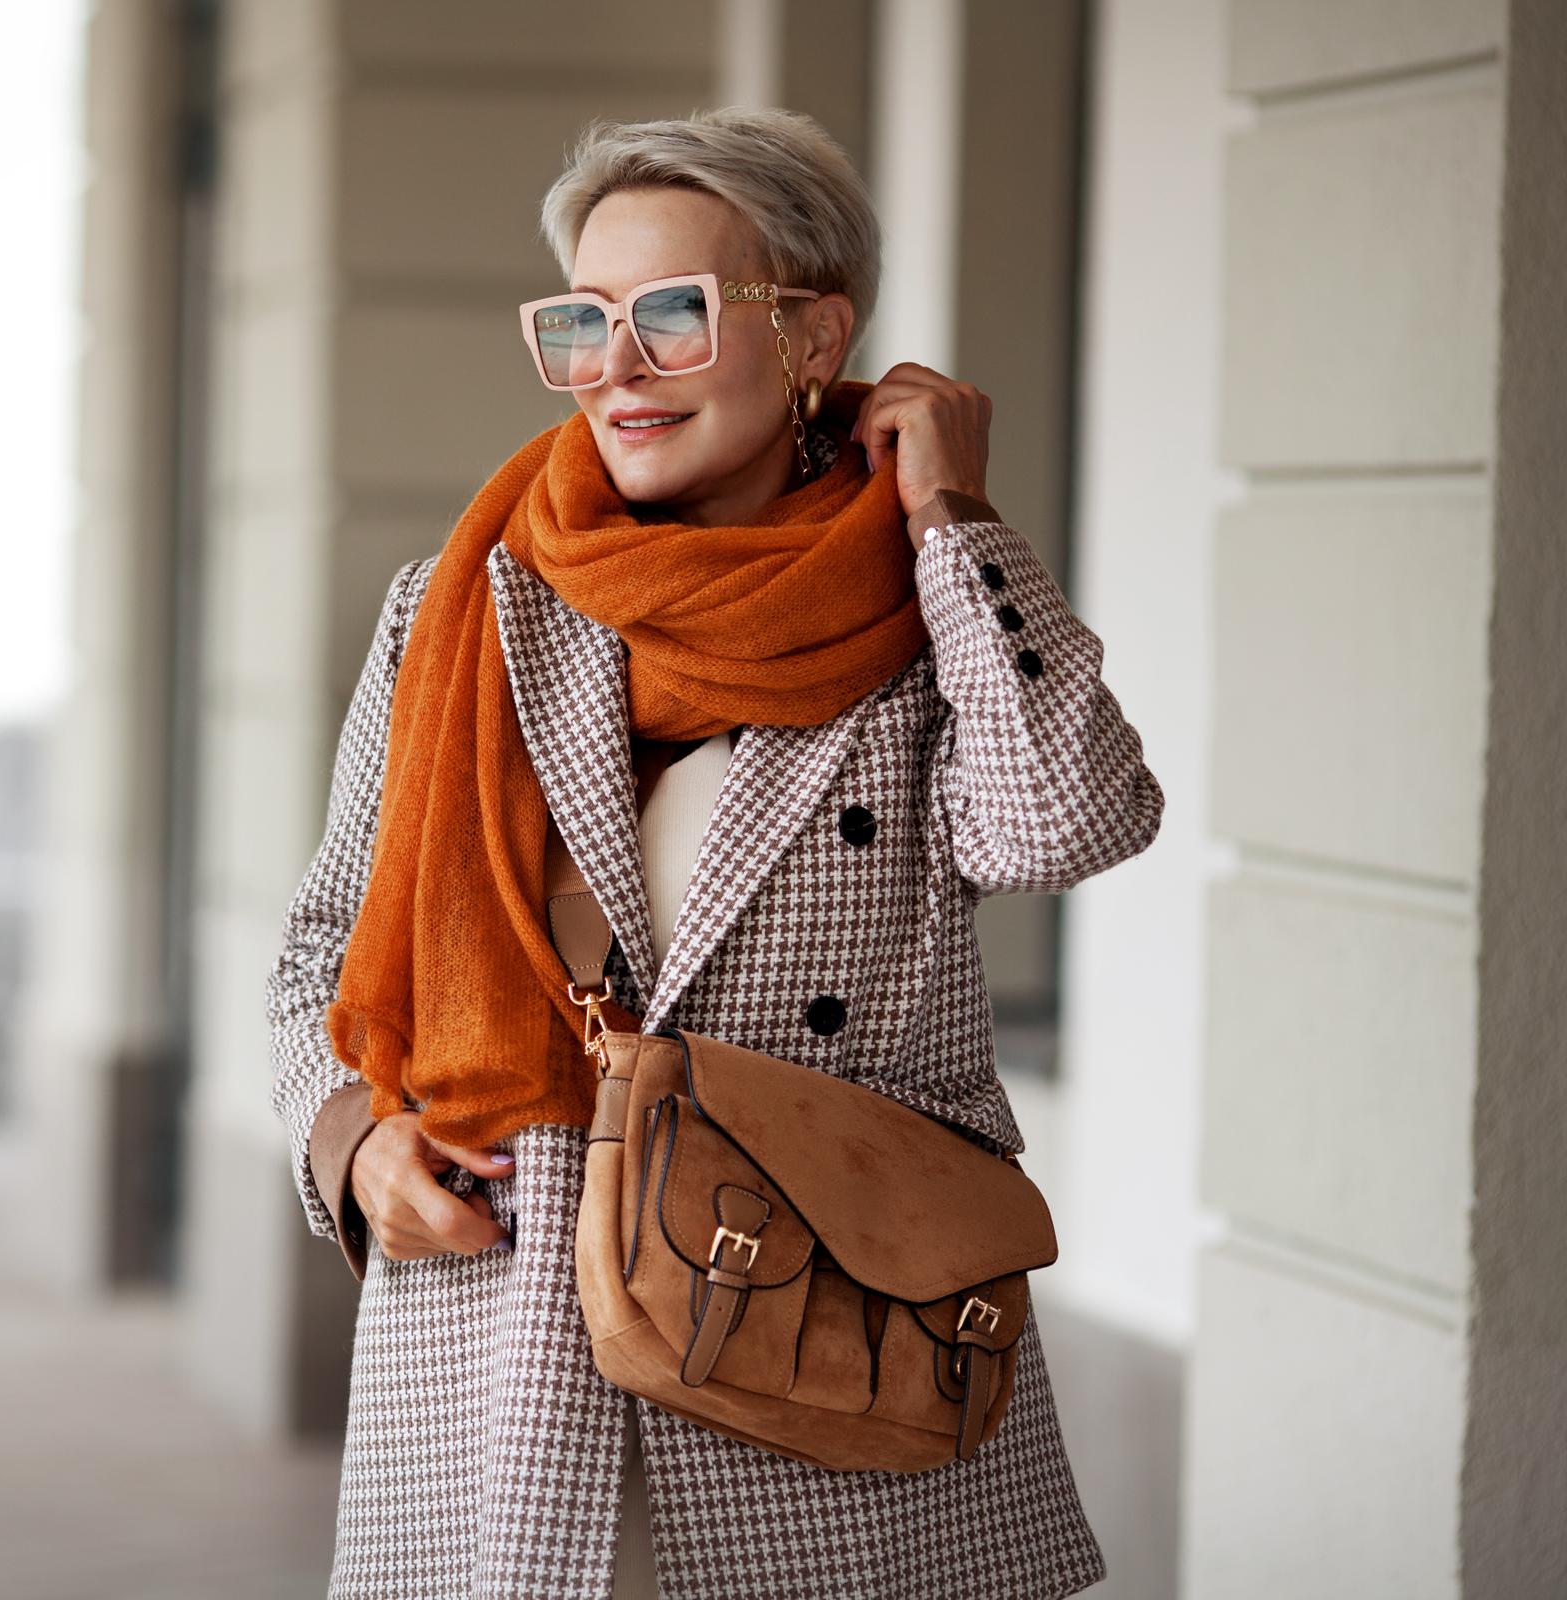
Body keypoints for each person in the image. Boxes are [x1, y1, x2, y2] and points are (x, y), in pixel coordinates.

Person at [264, 106, 1162, 1599]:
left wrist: (953, 514)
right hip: (518, 1325)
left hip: (830, 1333)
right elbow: (320, 951)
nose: (616, 367)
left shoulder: (926, 613)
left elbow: (1069, 820)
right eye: (584, 321)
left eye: (673, 316)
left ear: (814, 335)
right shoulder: (469, 609)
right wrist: (353, 1140)